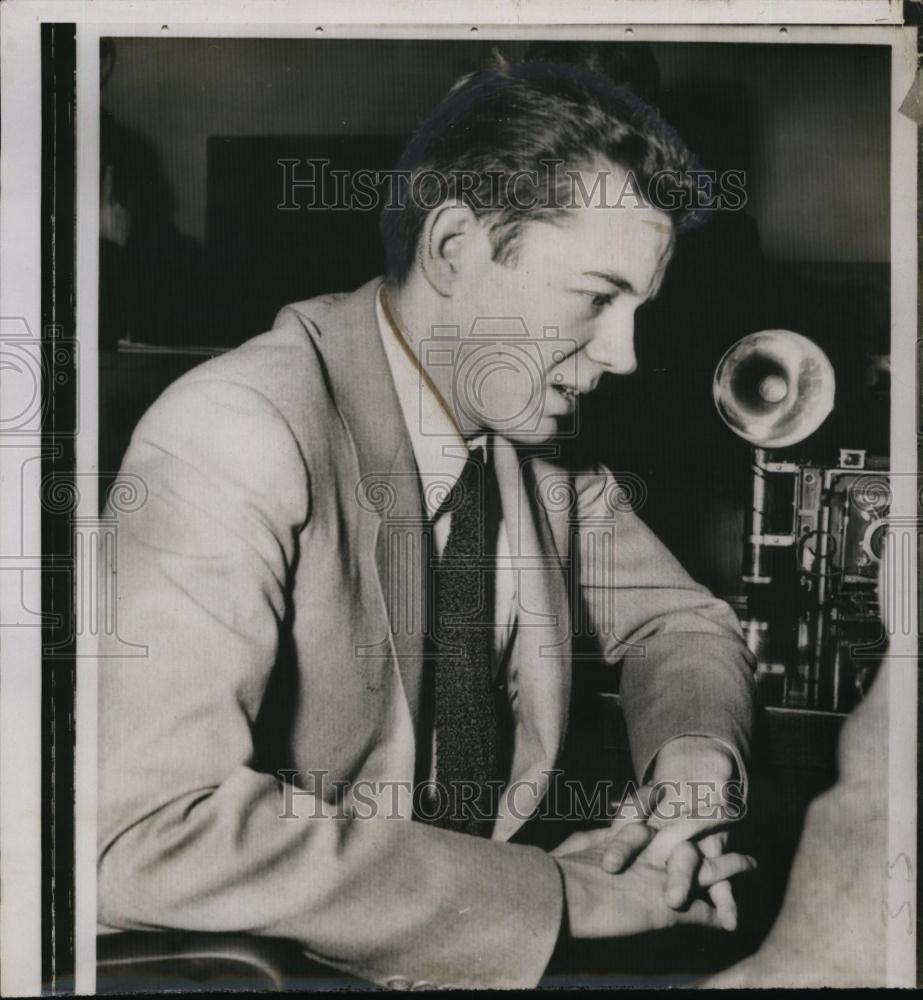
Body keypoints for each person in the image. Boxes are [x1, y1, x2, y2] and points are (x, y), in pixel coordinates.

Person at [97, 59, 757, 990]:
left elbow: (678, 623)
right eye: (597, 298)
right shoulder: (237, 429)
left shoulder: (530, 438)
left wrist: (686, 783)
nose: (625, 355)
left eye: (639, 309)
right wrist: (558, 897)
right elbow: (141, 834)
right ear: (454, 246)